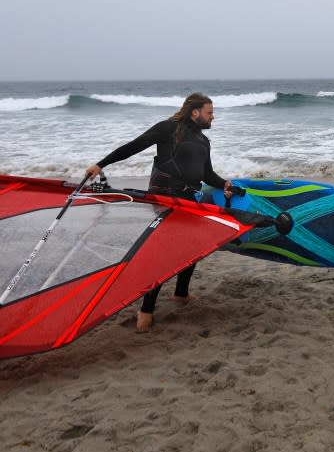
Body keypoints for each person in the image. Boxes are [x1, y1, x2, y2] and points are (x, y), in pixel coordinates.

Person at [85, 92, 234, 331]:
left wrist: (224, 184)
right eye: (209, 112)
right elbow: (133, 146)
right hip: (165, 196)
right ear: (195, 112)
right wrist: (101, 164)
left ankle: (181, 293)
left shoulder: (203, 140)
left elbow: (207, 174)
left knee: (194, 247)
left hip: (188, 198)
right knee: (165, 251)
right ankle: (146, 309)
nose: (212, 117)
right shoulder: (168, 129)